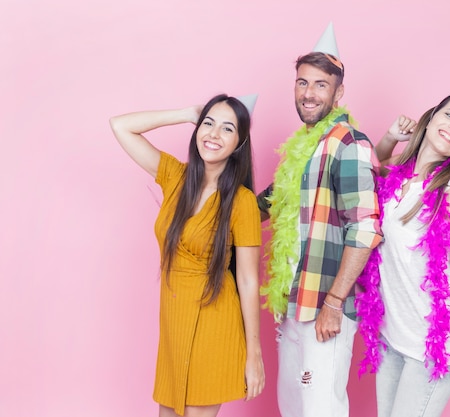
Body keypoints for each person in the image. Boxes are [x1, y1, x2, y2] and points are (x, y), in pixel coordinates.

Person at [109, 94, 265, 417]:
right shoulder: (175, 177)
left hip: (214, 322)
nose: (213, 134)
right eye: (208, 124)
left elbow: (249, 280)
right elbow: (121, 127)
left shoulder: (242, 201)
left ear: (239, 144)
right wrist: (184, 113)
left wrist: (254, 354)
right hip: (174, 322)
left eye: (227, 129)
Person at [257, 24, 383, 417]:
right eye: (301, 83)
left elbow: (365, 228)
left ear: (338, 92)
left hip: (323, 309)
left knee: (319, 407)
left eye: (320, 85)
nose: (308, 93)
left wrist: (333, 302)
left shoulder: (349, 143)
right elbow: (266, 203)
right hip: (294, 302)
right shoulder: (302, 147)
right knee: (294, 407)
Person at [356, 91, 450, 417]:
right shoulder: (396, 178)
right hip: (391, 337)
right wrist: (389, 138)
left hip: (431, 351)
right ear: (431, 117)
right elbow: (364, 169)